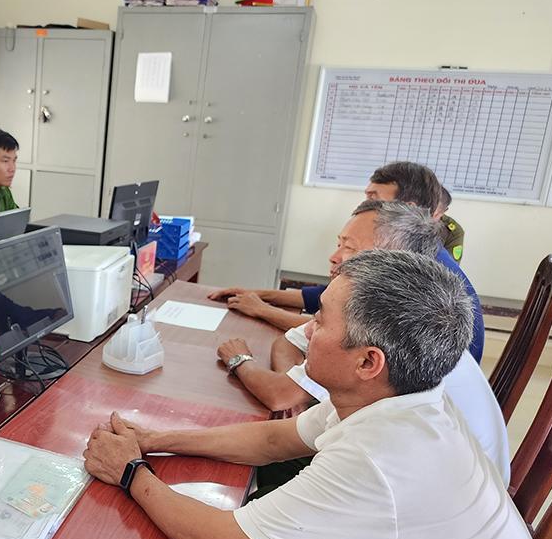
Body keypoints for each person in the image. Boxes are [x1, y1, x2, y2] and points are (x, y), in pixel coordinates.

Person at [83, 250, 552, 539]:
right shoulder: (399, 397)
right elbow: (275, 439)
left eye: (322, 320)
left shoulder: (381, 461)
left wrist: (129, 472)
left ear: (369, 361)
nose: (305, 329)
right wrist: (154, 439)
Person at [217, 201, 510, 483]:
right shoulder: (392, 304)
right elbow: (289, 344)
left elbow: (279, 395)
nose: (334, 256)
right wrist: (297, 383)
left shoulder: (397, 328)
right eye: (339, 243)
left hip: (422, 490)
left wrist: (242, 361)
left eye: (350, 248)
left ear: (391, 260)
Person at [212, 161, 484, 362]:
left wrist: (261, 309)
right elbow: (327, 297)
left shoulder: (416, 275)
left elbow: (340, 335)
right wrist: (257, 295)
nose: (365, 205)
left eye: (374, 199)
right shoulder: (415, 252)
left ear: (406, 211)